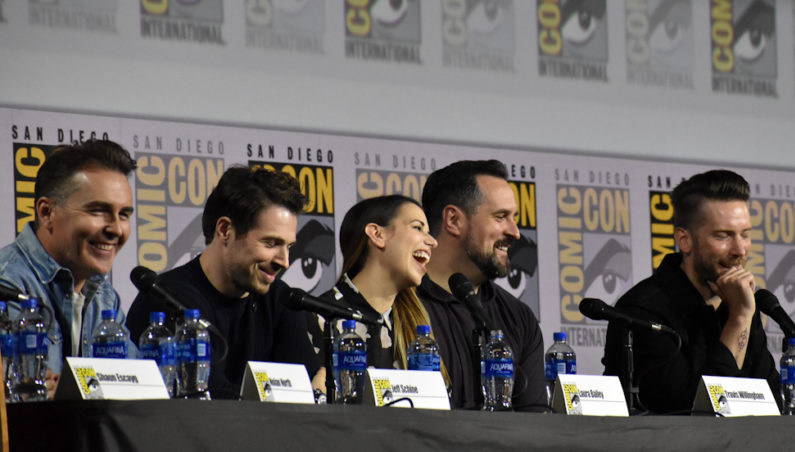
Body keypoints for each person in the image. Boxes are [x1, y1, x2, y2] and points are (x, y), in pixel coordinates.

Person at [126, 166, 319, 399]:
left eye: (289, 247)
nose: (284, 261)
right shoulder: (168, 299)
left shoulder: (280, 299)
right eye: (271, 243)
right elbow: (211, 401)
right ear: (225, 230)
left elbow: (306, 390)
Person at [602, 169, 780, 413]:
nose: (740, 250)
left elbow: (773, 403)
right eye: (723, 236)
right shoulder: (642, 310)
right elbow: (691, 411)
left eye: (745, 235)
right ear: (684, 240)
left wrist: (741, 313)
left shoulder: (740, 301)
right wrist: (739, 319)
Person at [0, 139, 137, 399]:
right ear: (46, 212)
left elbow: (133, 392)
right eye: (98, 211)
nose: (116, 229)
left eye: (124, 215)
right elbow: (16, 398)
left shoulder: (105, 296)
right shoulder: (6, 284)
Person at [417, 159, 547, 412]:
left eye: (513, 218)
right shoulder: (399, 304)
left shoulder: (519, 318)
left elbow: (534, 422)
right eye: (501, 217)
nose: (515, 232)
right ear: (453, 220)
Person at [308, 195, 449, 392]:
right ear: (377, 235)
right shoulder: (317, 318)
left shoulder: (421, 327)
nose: (433, 242)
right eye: (417, 227)